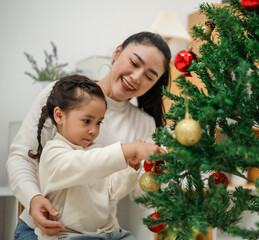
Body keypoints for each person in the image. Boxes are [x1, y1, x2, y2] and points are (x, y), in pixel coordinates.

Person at [7, 31, 171, 239]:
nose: (136, 78)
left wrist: (156, 170)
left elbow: (136, 189)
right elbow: (21, 157)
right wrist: (33, 198)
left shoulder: (144, 123)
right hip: (47, 229)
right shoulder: (63, 97)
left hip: (102, 232)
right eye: (134, 62)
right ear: (117, 52)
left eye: (149, 77)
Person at [32, 74, 165, 239]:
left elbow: (112, 190)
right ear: (59, 115)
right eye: (87, 121)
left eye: (98, 123)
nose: (93, 130)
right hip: (68, 236)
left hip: (106, 233)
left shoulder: (96, 151)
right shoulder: (54, 152)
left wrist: (131, 166)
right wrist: (129, 148)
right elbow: (84, 165)